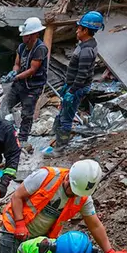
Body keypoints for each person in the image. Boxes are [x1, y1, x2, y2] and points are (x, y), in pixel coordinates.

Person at [0, 159, 127, 253]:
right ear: (68, 178)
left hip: (39, 239)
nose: (75, 195)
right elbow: (17, 196)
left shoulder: (83, 197)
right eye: (73, 191)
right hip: (13, 228)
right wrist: (20, 223)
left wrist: (109, 252)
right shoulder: (46, 176)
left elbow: (95, 225)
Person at [51, 11, 102, 153]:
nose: (76, 31)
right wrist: (67, 85)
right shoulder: (85, 44)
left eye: (79, 28)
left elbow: (82, 74)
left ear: (86, 30)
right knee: (63, 113)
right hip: (74, 85)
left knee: (66, 118)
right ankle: (57, 138)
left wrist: (72, 91)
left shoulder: (87, 50)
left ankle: (60, 149)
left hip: (78, 87)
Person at [0, 17, 48, 147]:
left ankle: (22, 139)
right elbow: (17, 64)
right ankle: (2, 130)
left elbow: (32, 70)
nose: (23, 37)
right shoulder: (22, 47)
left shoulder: (40, 49)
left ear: (34, 35)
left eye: (26, 35)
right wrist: (13, 72)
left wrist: (16, 77)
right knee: (6, 104)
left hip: (33, 86)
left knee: (27, 114)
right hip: (19, 84)